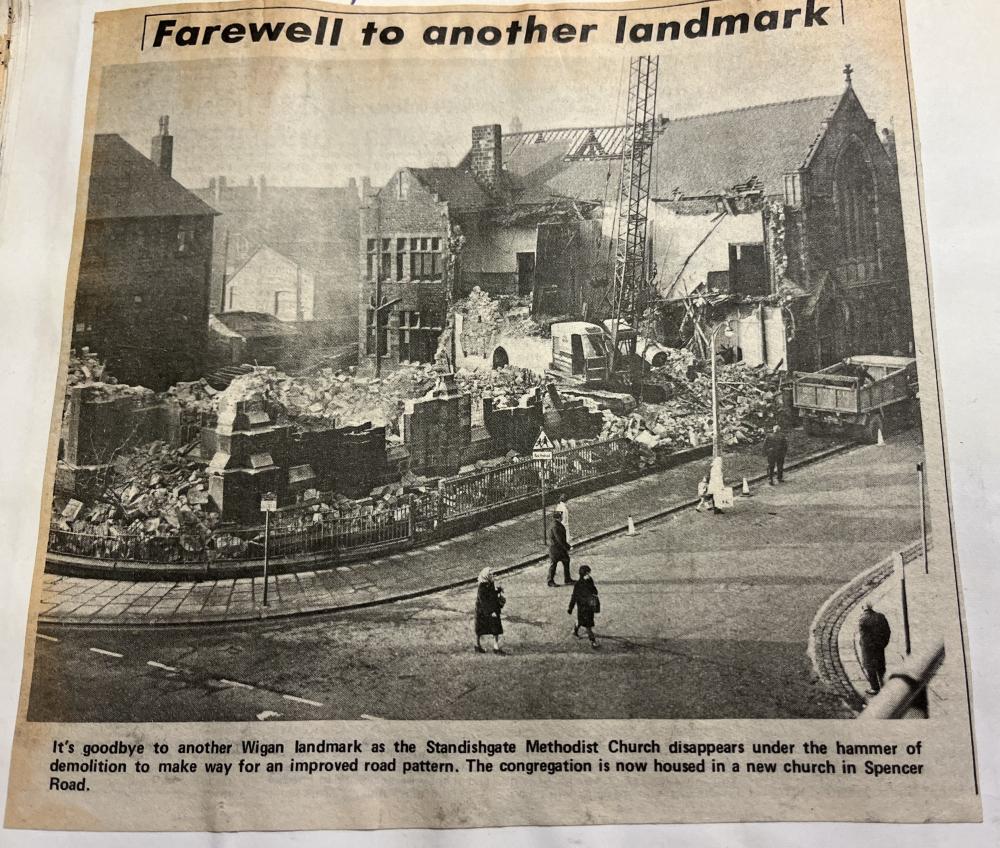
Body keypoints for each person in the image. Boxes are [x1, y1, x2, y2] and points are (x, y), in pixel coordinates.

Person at [858, 601, 892, 695]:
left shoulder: (862, 619)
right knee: (881, 667)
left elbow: (864, 637)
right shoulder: (880, 616)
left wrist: (863, 645)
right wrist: (883, 643)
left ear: (863, 607)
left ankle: (875, 688)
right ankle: (884, 686)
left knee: (869, 667)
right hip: (879, 646)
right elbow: (887, 631)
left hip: (868, 649)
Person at [474, 567, 506, 655]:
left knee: (495, 629)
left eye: (493, 574)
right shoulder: (482, 587)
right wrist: (491, 612)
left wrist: (498, 590)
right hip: (484, 611)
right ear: (486, 576)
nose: (493, 576)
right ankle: (478, 645)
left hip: (491, 609)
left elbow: (491, 595)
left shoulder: (490, 583)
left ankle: (496, 647)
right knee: (481, 630)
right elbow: (483, 601)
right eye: (491, 574)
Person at [568, 564, 600, 648]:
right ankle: (593, 641)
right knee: (588, 626)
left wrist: (590, 584)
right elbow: (574, 596)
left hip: (589, 607)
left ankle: (575, 631)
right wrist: (570, 608)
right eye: (588, 573)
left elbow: (595, 591)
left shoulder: (589, 580)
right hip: (583, 608)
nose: (589, 575)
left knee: (580, 620)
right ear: (584, 574)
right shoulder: (578, 584)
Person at [546, 511, 574, 586]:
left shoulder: (555, 524)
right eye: (561, 516)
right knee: (554, 564)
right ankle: (550, 581)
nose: (562, 517)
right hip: (556, 549)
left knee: (565, 561)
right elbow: (559, 539)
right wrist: (567, 547)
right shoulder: (555, 526)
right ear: (558, 517)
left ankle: (567, 579)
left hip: (557, 549)